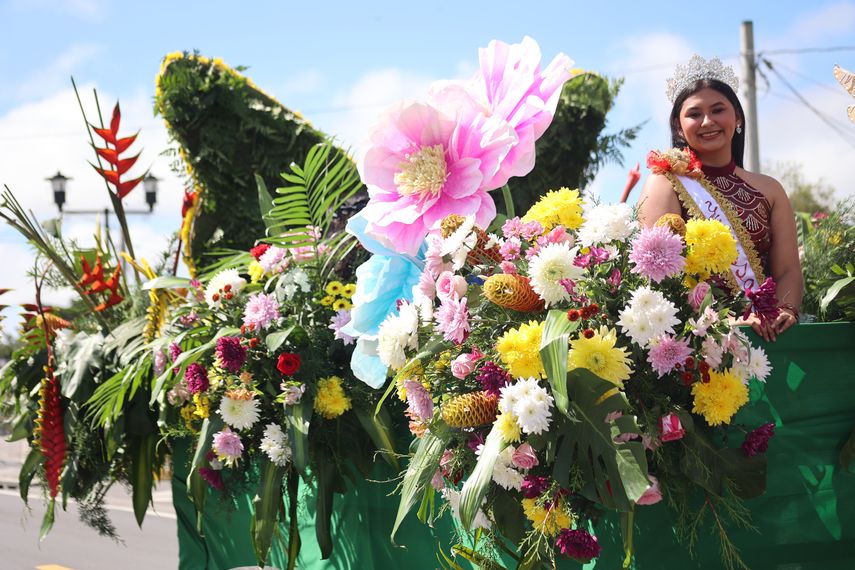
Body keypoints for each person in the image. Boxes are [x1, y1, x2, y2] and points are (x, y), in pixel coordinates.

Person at [638, 55, 803, 342]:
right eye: (694, 114)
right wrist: (726, 319)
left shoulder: (770, 190)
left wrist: (785, 309)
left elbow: (788, 269)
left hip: (768, 336)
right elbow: (657, 274)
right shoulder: (666, 183)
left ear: (737, 118)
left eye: (718, 110)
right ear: (678, 127)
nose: (707, 121)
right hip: (698, 340)